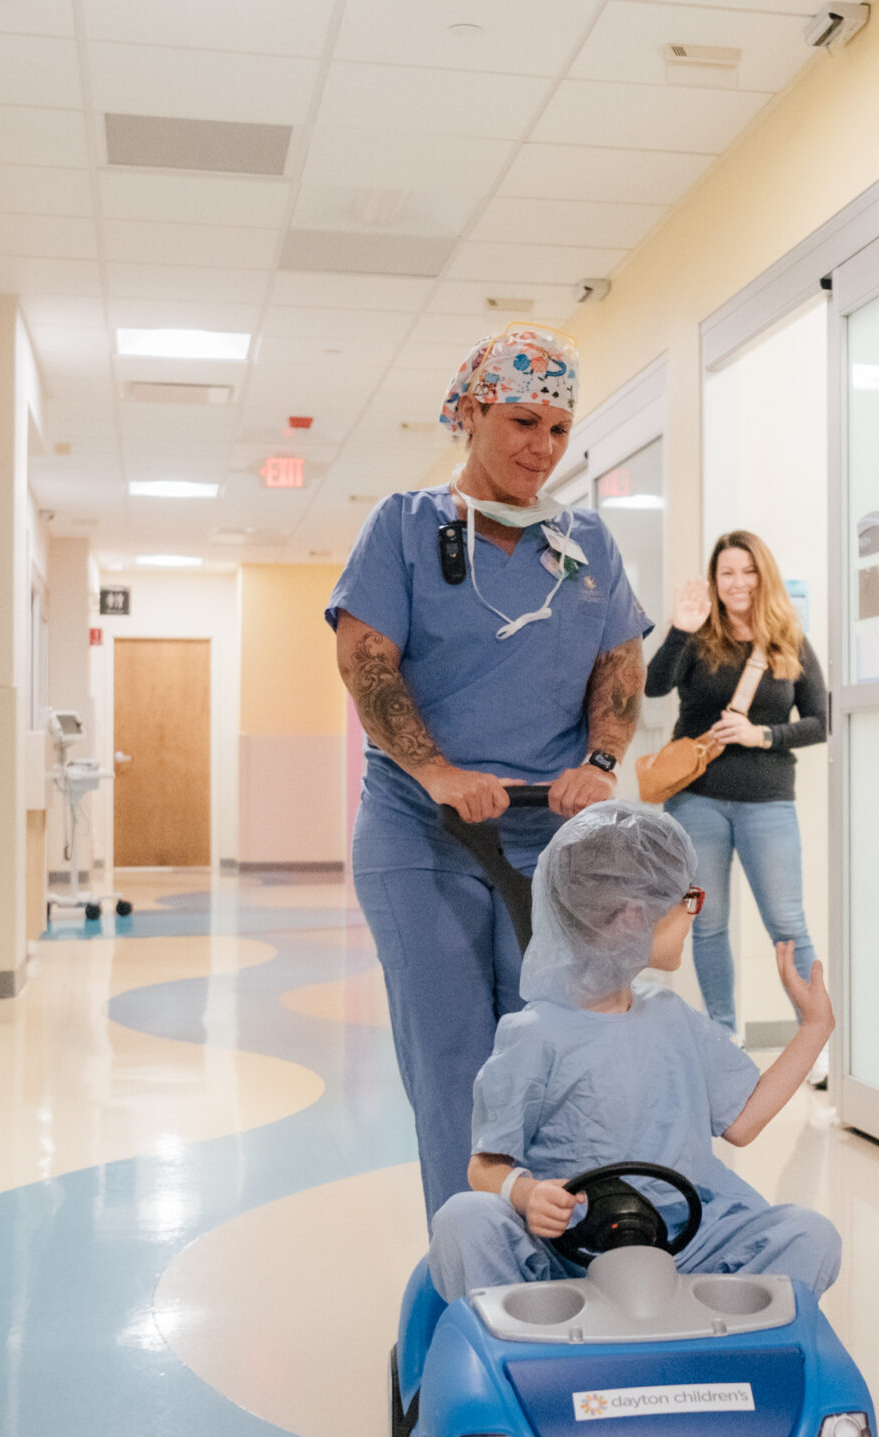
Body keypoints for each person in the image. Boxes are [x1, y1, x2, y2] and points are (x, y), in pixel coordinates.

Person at [328, 326, 649, 1219]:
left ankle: (557, 1244)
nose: (540, 449)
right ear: (470, 413)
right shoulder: (402, 526)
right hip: (422, 833)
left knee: (557, 1049)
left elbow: (620, 663)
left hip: (549, 837)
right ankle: (469, 1263)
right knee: (456, 1064)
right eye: (520, 422)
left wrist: (600, 760)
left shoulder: (586, 544)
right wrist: (434, 770)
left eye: (557, 429)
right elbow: (367, 661)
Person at [427, 801, 841, 1302]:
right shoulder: (534, 1034)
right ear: (633, 917)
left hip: (685, 1247)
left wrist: (815, 1027)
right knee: (465, 1219)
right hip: (567, 1253)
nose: (695, 913)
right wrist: (526, 1193)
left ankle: (724, 1354)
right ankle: (522, 1349)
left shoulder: (672, 1016)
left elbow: (744, 1121)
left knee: (810, 1235)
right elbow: (484, 1166)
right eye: (687, 899)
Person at [642, 530, 828, 1043]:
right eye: (727, 573)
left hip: (767, 801)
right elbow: (653, 685)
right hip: (696, 800)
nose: (738, 582)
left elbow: (820, 722)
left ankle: (816, 1036)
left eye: (748, 571)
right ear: (714, 580)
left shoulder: (788, 638)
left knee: (788, 923)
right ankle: (722, 1034)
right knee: (707, 924)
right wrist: (679, 629)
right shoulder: (698, 636)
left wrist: (762, 734)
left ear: (762, 575)